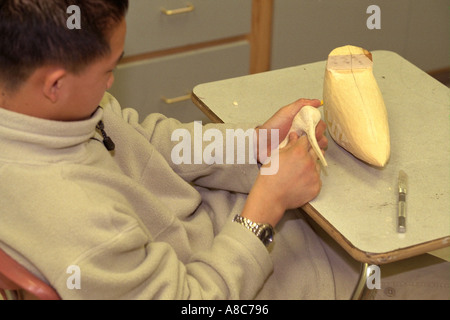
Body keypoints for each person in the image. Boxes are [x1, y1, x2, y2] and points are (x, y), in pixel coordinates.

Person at [0, 0, 448, 300]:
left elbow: (143, 139)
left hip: (216, 231)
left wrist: (251, 144)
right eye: (109, 69)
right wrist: (264, 211)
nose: (113, 83)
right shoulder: (77, 226)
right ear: (55, 84)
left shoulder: (44, 109)